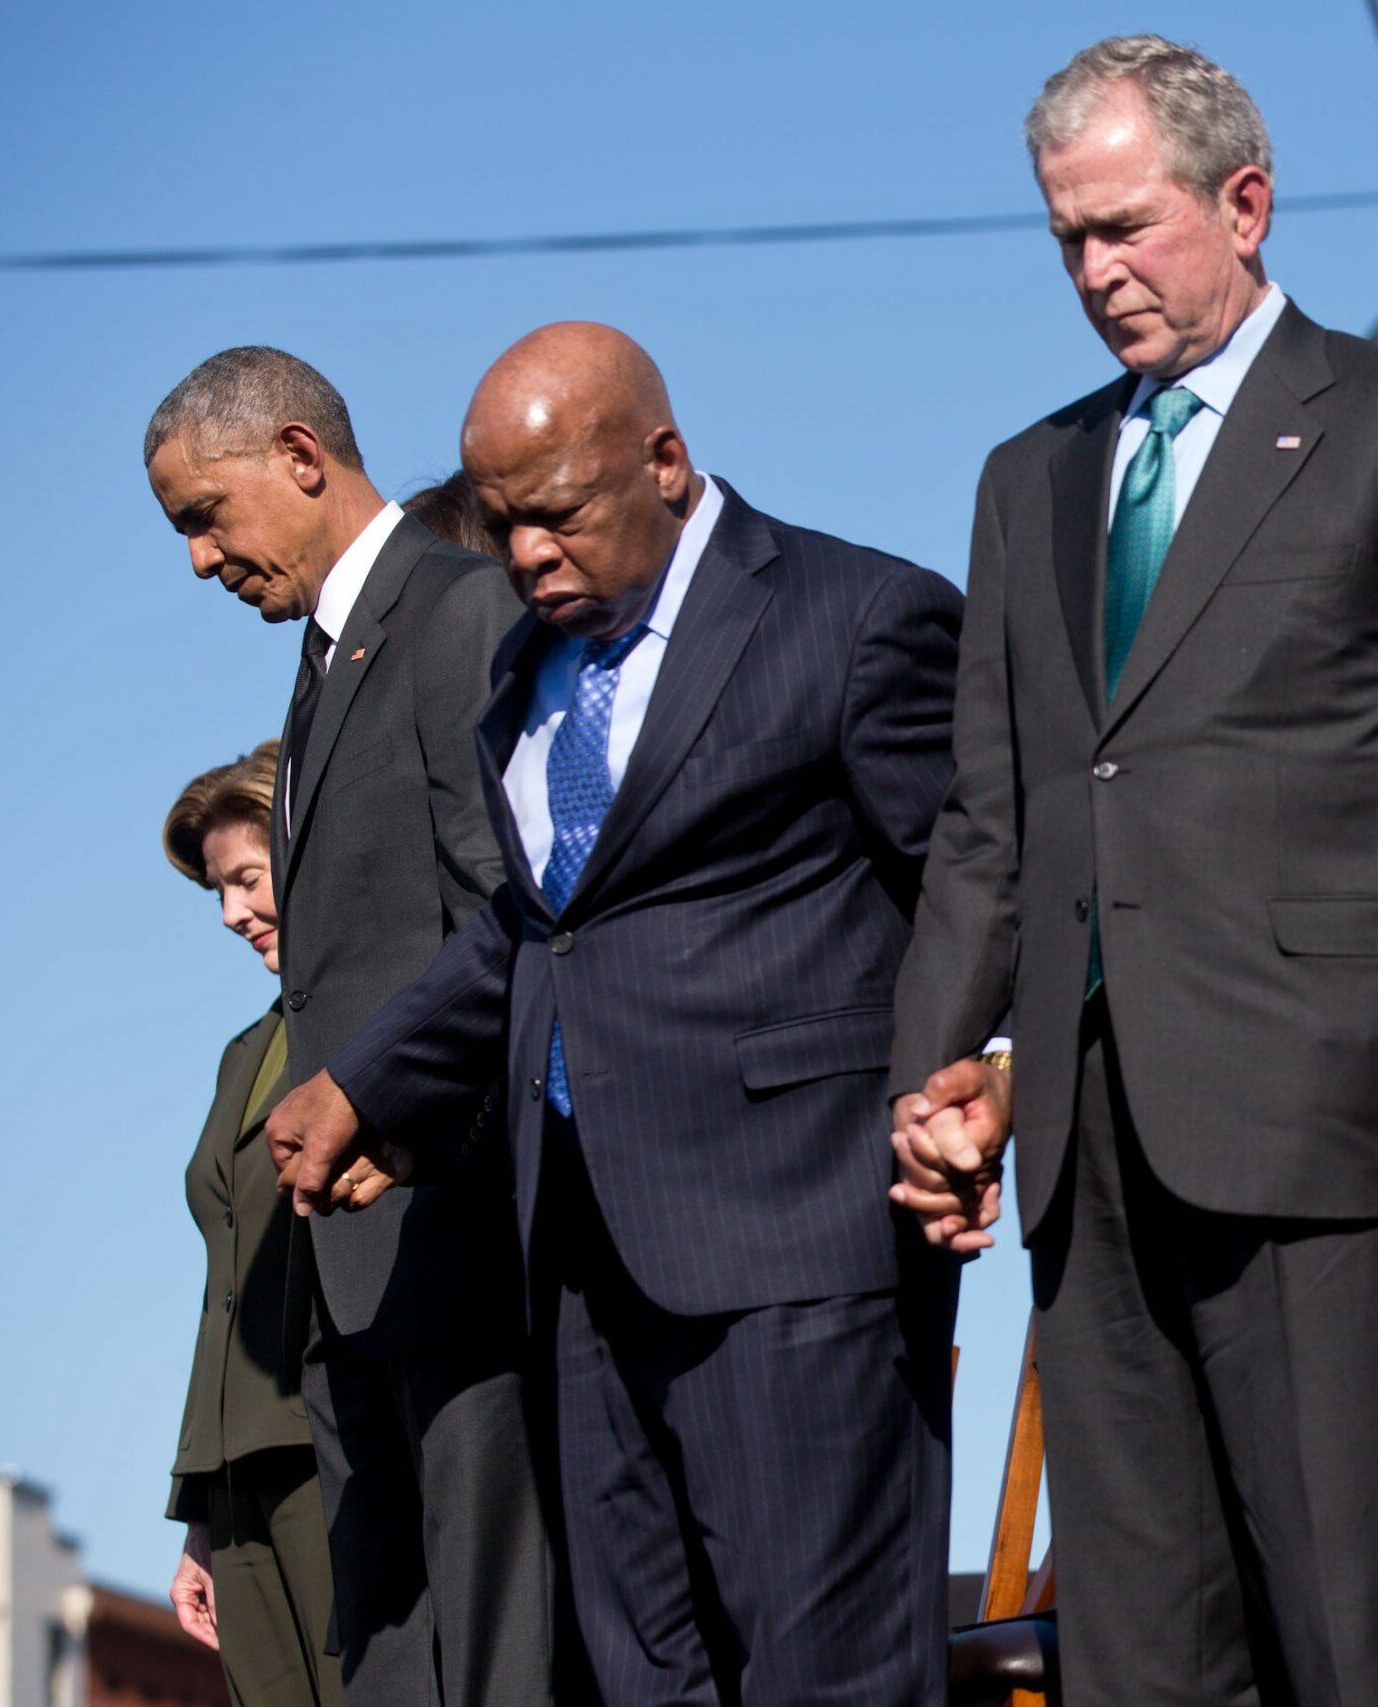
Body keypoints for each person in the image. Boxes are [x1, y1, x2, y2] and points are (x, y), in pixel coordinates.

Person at [886, 36, 1378, 1706]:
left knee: (1359, 1639)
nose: (1096, 269)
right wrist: (932, 1069)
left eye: (1127, 226)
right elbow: (998, 812)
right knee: (1145, 1660)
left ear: (1245, 204)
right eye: (1068, 239)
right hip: (1093, 1149)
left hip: (1338, 1132)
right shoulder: (1029, 478)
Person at [267, 321, 965, 1706]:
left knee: (824, 1673)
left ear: (666, 459)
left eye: (561, 517)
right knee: (640, 1680)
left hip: (793, 1242)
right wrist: (372, 1079)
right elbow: (539, 922)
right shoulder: (523, 675)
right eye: (509, 525)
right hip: (580, 1252)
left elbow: (972, 874)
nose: (528, 558)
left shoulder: (855, 614)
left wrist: (983, 1074)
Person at [142, 348, 553, 1706]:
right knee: (386, 1652)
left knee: (492, 1648)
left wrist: (395, 1102)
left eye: (206, 514)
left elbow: (514, 908)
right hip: (353, 1276)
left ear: (302, 454)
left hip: (460, 1235)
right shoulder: (325, 668)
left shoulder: (459, 609)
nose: (199, 561)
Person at [161, 741, 340, 1707]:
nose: (232, 914)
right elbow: (220, 1282)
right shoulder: (245, 1052)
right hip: (232, 1474)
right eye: (217, 892)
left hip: (329, 1442)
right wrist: (198, 1514)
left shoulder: (375, 1024)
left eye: (245, 879)